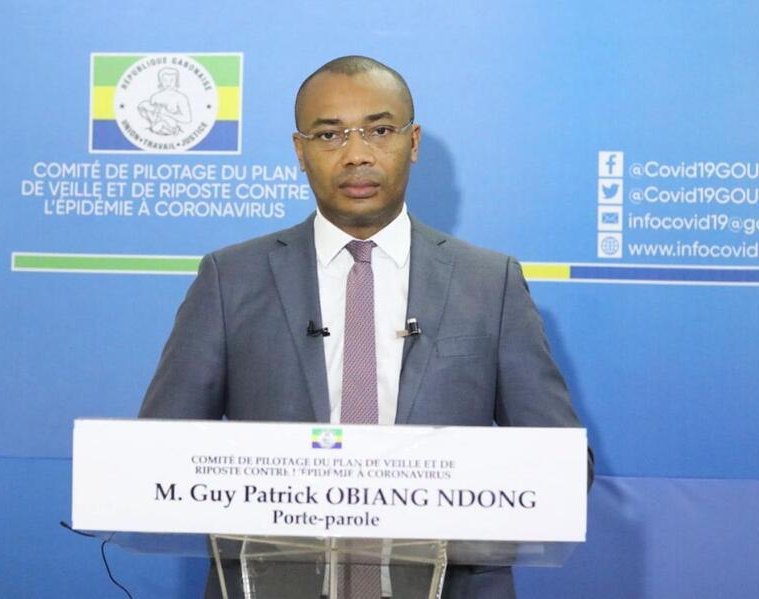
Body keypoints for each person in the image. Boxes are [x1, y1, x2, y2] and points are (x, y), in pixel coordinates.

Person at [140, 55, 592, 599]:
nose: (356, 154)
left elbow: (564, 465)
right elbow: (159, 452)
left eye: (379, 131)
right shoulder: (230, 278)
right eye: (329, 135)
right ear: (300, 151)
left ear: (413, 142)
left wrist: (452, 492)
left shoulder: (489, 282)